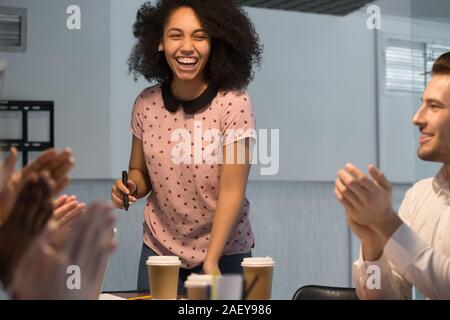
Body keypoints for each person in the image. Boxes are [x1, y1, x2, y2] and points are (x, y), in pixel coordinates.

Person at [111, 0, 262, 293]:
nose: (187, 47)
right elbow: (140, 171)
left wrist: (212, 260)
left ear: (214, 43)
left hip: (225, 255)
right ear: (159, 42)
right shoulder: (145, 103)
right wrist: (130, 187)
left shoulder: (234, 103)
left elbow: (232, 190)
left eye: (200, 36)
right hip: (160, 252)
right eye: (176, 35)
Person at [335, 52, 450, 299]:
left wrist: (386, 223)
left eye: (434, 106)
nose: (417, 118)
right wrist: (372, 243)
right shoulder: (420, 196)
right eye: (421, 104)